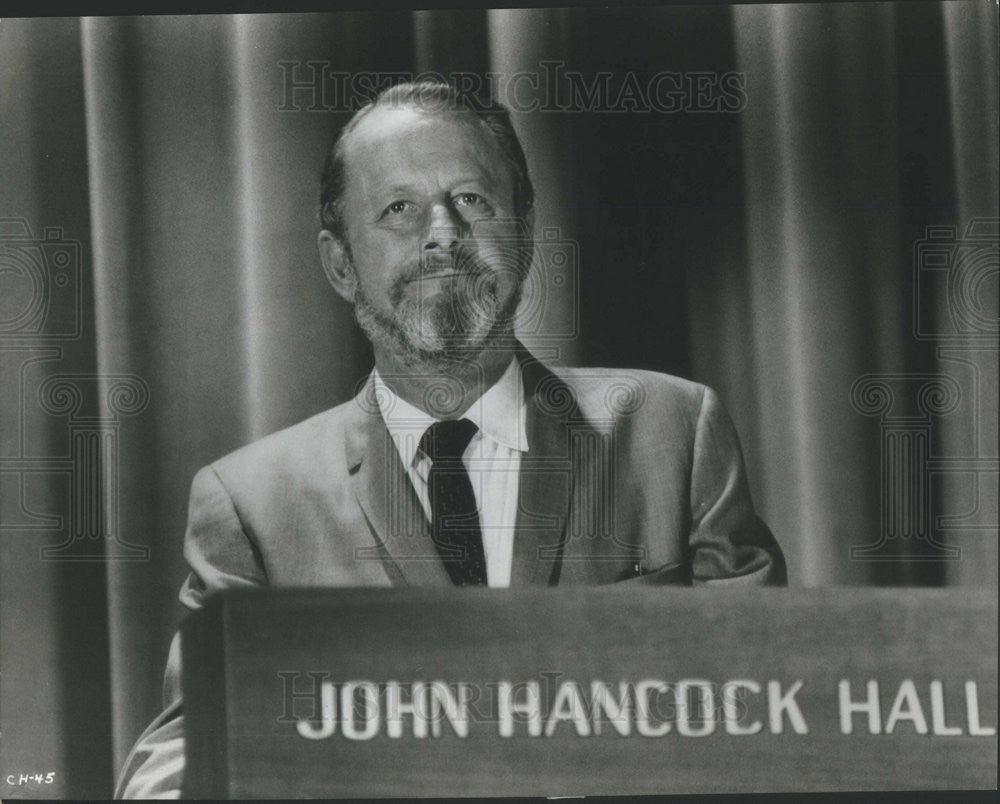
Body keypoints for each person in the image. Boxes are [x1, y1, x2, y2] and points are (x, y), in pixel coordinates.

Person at [115, 80, 786, 798]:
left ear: (524, 234)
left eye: (472, 200)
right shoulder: (250, 506)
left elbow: (779, 716)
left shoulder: (674, 433)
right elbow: (180, 764)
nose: (443, 234)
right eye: (399, 209)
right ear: (340, 264)